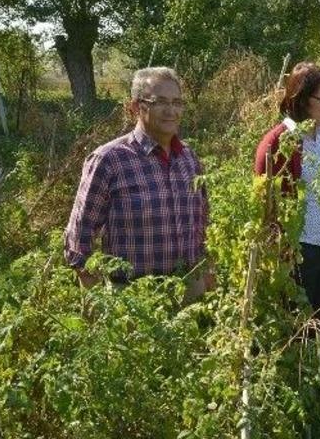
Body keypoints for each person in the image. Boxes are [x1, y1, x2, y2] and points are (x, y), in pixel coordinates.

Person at [64, 67, 213, 301]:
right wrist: (98, 301)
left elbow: (204, 221)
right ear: (135, 106)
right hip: (133, 297)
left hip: (189, 289)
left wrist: (207, 277)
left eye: (177, 102)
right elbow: (79, 236)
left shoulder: (188, 158)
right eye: (160, 102)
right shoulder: (109, 160)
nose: (171, 111)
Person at [254, 61, 320, 334]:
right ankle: (299, 375)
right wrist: (280, 248)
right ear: (300, 99)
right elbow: (268, 204)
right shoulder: (278, 142)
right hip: (300, 249)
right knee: (297, 325)